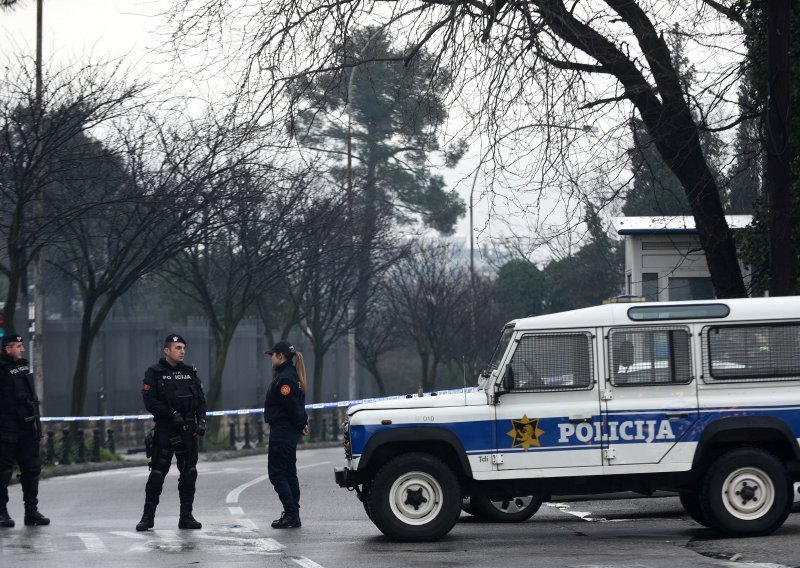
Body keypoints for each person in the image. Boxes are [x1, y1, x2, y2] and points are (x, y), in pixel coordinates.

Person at [136, 334, 207, 532]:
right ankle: (147, 517)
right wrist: (171, 414)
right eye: (177, 348)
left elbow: (201, 401)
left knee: (189, 473)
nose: (182, 351)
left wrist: (202, 421)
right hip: (166, 429)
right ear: (167, 350)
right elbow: (150, 402)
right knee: (157, 474)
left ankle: (186, 517)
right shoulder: (154, 373)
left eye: (183, 347)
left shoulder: (190, 372)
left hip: (189, 430)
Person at [0, 333, 49, 528]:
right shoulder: (1, 369)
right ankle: (2, 512)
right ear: (7, 349)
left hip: (26, 427)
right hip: (6, 428)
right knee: (3, 472)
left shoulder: (22, 367)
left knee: (32, 469)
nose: (22, 349)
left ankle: (31, 512)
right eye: (18, 346)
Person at [264, 340, 309, 529]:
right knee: (289, 473)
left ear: (280, 356)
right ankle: (293, 513)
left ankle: (291, 513)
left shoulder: (285, 379)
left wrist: (301, 422)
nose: (271, 358)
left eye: (272, 355)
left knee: (277, 474)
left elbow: (291, 406)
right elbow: (297, 405)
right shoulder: (291, 375)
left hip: (283, 431)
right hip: (289, 431)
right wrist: (302, 423)